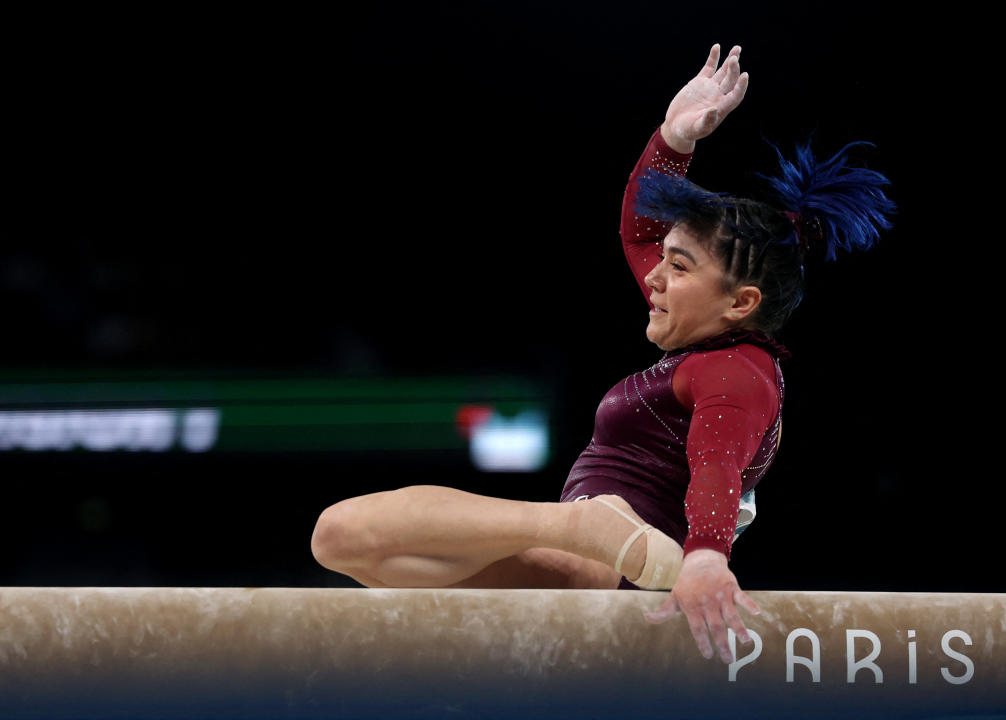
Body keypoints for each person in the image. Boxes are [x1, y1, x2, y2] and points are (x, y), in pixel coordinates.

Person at [310, 44, 894, 665]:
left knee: (342, 532)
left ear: (741, 302)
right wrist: (672, 141)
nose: (655, 277)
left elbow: (716, 465)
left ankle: (582, 526)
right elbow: (640, 229)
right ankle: (579, 528)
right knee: (363, 555)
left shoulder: (738, 370)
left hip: (601, 570)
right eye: (663, 261)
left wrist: (705, 556)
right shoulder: (713, 351)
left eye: (678, 265)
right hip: (600, 564)